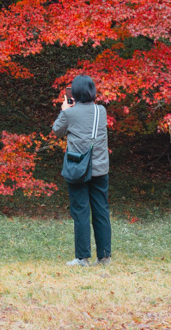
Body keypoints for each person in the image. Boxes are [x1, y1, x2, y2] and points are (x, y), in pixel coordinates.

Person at [52, 74, 112, 267]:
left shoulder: (69, 113)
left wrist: (64, 109)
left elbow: (57, 131)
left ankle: (82, 258)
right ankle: (104, 256)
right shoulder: (100, 111)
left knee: (81, 212)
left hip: (78, 168)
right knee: (101, 211)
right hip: (100, 169)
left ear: (74, 93)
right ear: (92, 91)